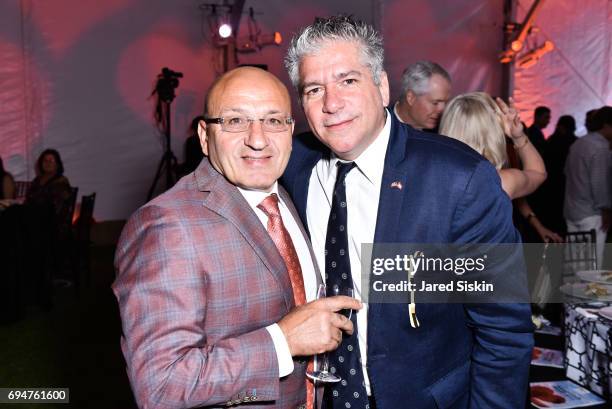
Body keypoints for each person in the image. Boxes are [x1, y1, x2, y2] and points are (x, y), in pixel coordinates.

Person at [282, 15, 533, 409]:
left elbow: (502, 331)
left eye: (348, 80)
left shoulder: (457, 179)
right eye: (315, 89)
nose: (332, 103)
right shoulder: (294, 165)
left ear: (382, 87)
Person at [113, 66, 361, 409]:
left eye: (274, 121)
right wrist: (282, 342)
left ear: (290, 131)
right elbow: (160, 385)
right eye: (235, 121)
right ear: (204, 136)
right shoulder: (166, 225)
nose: (258, 139)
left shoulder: (284, 194)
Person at [440, 92, 547, 200]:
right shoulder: (499, 182)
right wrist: (518, 137)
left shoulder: (430, 175)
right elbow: (538, 173)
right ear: (492, 130)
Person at [564, 106, 612, 269]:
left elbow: (566, 173)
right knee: (593, 264)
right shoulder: (601, 148)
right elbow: (599, 183)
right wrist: (606, 209)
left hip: (572, 209)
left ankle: (572, 294)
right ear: (607, 126)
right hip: (592, 213)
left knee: (576, 263)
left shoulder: (578, 143)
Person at [393, 61, 451, 131]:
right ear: (411, 98)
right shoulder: (381, 125)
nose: (442, 110)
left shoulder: (445, 131)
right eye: (435, 103)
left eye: (446, 103)